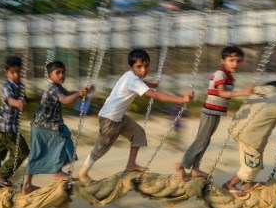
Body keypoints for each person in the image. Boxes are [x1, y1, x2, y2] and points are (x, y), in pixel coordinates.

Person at [77, 49, 194, 183]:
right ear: (131, 67)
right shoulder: (133, 80)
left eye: (146, 66)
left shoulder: (130, 75)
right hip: (109, 119)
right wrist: (182, 99)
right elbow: (155, 95)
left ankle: (131, 164)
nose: (143, 70)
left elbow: (141, 82)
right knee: (101, 148)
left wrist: (152, 84)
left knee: (138, 133)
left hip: (118, 117)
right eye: (139, 67)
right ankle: (82, 173)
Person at [174, 46, 253, 180]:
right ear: (223, 61)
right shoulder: (219, 75)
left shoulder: (229, 77)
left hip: (216, 112)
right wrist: (243, 93)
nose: (235, 64)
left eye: (238, 61)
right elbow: (222, 93)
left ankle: (195, 169)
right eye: (231, 60)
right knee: (201, 141)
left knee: (205, 141)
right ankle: (181, 165)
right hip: (210, 112)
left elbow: (226, 96)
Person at [22, 61, 93, 194]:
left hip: (47, 126)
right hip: (43, 126)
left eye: (63, 72)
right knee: (60, 144)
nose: (61, 75)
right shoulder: (52, 88)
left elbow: (68, 94)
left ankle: (29, 183)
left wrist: (80, 92)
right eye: (58, 73)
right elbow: (66, 100)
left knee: (40, 152)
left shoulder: (58, 87)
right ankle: (55, 173)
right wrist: (79, 94)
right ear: (50, 76)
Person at [0, 56, 30, 194]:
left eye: (18, 72)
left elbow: (23, 98)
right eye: (12, 73)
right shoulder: (6, 86)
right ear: (7, 73)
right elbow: (9, 100)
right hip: (7, 128)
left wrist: (28, 100)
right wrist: (17, 103)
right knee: (22, 152)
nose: (16, 75)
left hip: (3, 127)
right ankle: (0, 174)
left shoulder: (21, 86)